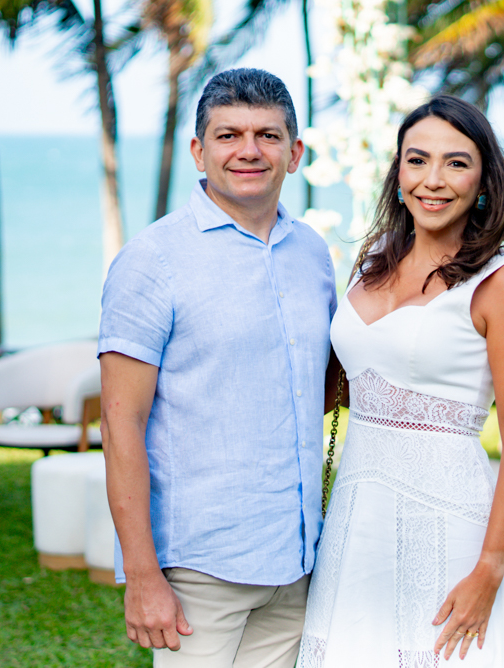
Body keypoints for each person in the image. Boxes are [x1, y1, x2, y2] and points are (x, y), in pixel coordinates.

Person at [98, 68, 338, 668]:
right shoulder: (153, 261)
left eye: (268, 135)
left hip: (301, 561)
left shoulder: (312, 253)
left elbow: (325, 387)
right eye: (229, 135)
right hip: (200, 572)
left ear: (295, 152)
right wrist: (142, 575)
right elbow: (119, 422)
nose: (250, 151)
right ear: (199, 152)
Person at [298, 95, 504, 667]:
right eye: (418, 160)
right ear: (398, 172)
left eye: (456, 164)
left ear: (484, 182)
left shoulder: (503, 286)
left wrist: (489, 567)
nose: (433, 180)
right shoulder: (372, 264)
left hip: (449, 526)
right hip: (357, 521)